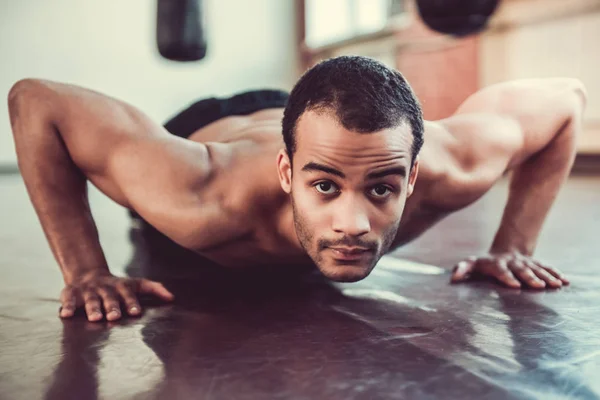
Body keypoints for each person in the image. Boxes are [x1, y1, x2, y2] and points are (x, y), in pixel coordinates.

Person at [8, 56, 586, 322]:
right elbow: (36, 100)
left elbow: (565, 98)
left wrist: (514, 244)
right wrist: (85, 270)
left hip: (306, 118)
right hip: (215, 130)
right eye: (325, 188)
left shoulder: (452, 167)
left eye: (382, 189)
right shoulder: (196, 194)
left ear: (413, 176)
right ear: (288, 175)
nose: (354, 224)